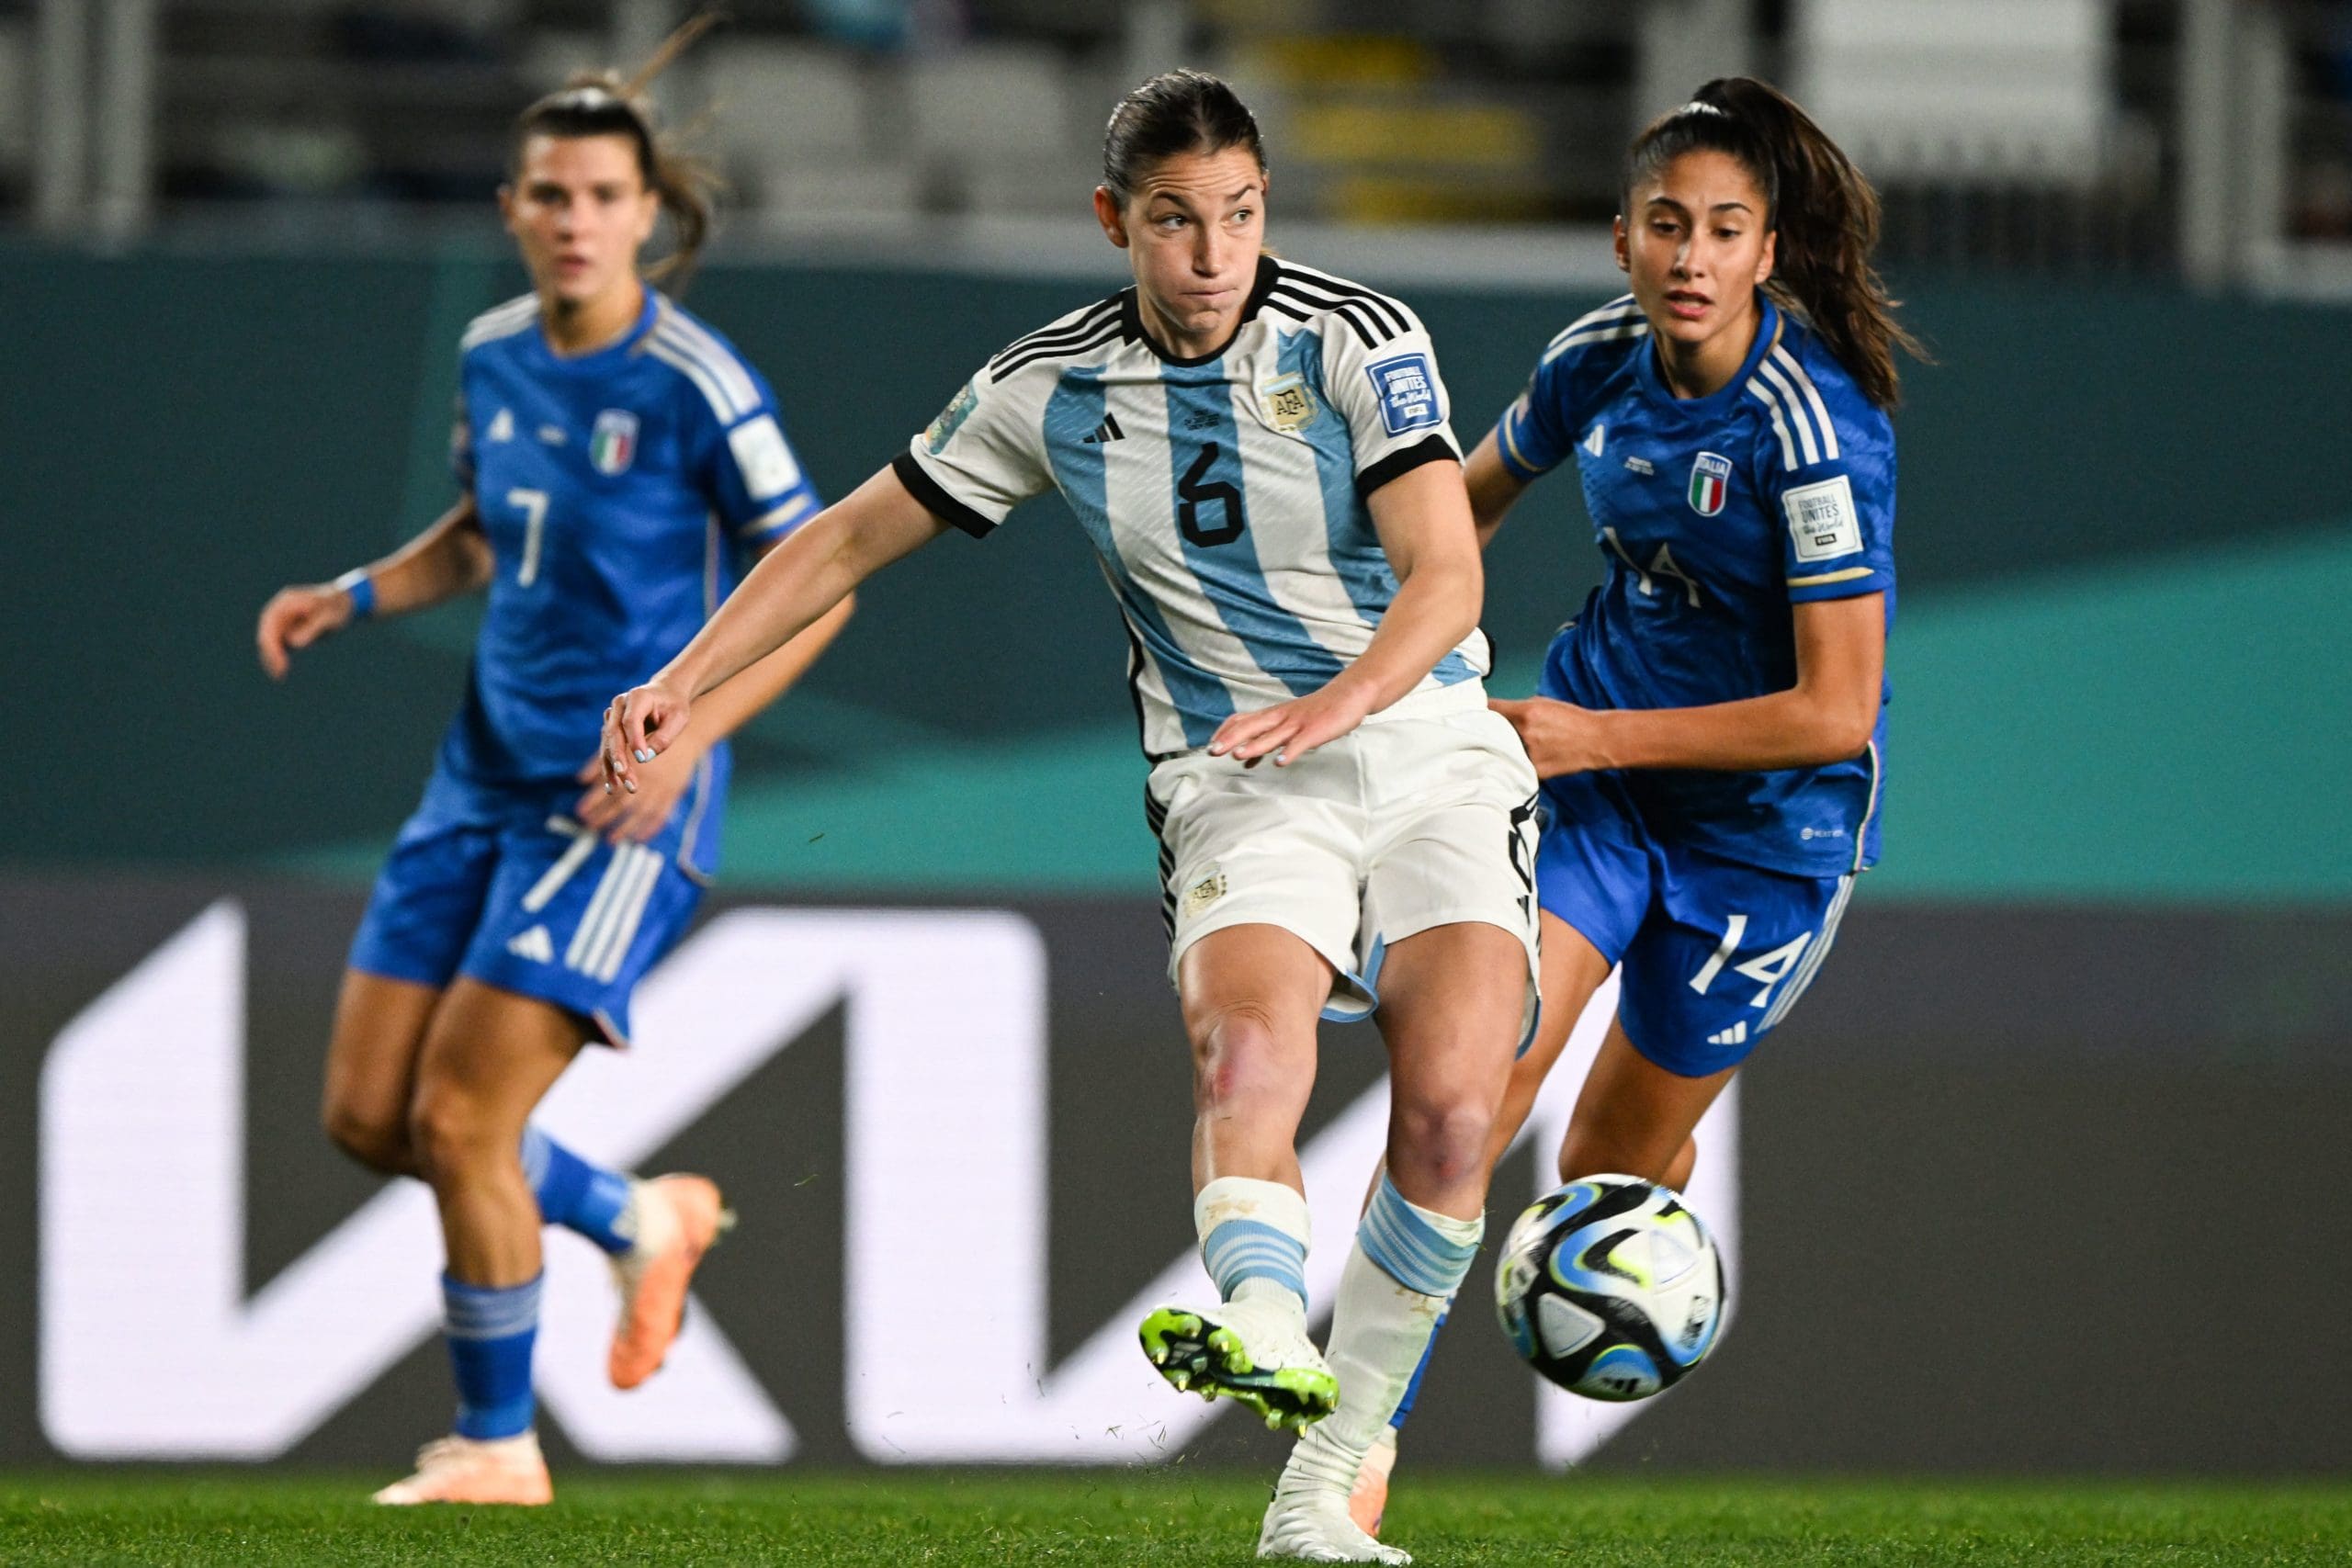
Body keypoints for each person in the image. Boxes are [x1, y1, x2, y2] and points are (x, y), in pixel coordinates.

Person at [601, 68, 1536, 1566]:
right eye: (1175, 221)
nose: (1213, 253)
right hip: (1234, 769)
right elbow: (847, 536)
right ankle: (1253, 1318)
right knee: (1246, 1045)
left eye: (1236, 215)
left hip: (1422, 736)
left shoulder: (1362, 338)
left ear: (1263, 212)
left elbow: (1446, 573)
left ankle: (1319, 1495)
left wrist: (1343, 699)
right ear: (1117, 222)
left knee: (1452, 1113)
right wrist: (682, 673)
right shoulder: (1050, 385)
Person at [254, 32, 852, 1507]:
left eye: (600, 192)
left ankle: (496, 1447)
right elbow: (480, 529)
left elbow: (826, 582)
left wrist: (692, 737)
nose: (575, 217)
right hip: (477, 781)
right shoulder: (493, 352)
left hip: (617, 801)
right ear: (513, 211)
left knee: (462, 1123)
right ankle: (641, 1220)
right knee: (367, 1119)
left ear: (646, 212)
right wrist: (362, 592)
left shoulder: (699, 382)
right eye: (547, 194)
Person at [1348, 77, 1920, 1535]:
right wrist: (1375, 638)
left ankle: (1620, 1296)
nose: (1688, 255)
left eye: (1723, 229)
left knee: (1606, 1169)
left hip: (1765, 840)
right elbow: (1456, 508)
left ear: (1766, 254)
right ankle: (1356, 1448)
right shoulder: (1595, 361)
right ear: (1620, 240)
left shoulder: (1812, 426)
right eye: (1666, 223)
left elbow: (1835, 709)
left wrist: (1598, 734)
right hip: (1594, 800)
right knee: (1466, 1097)